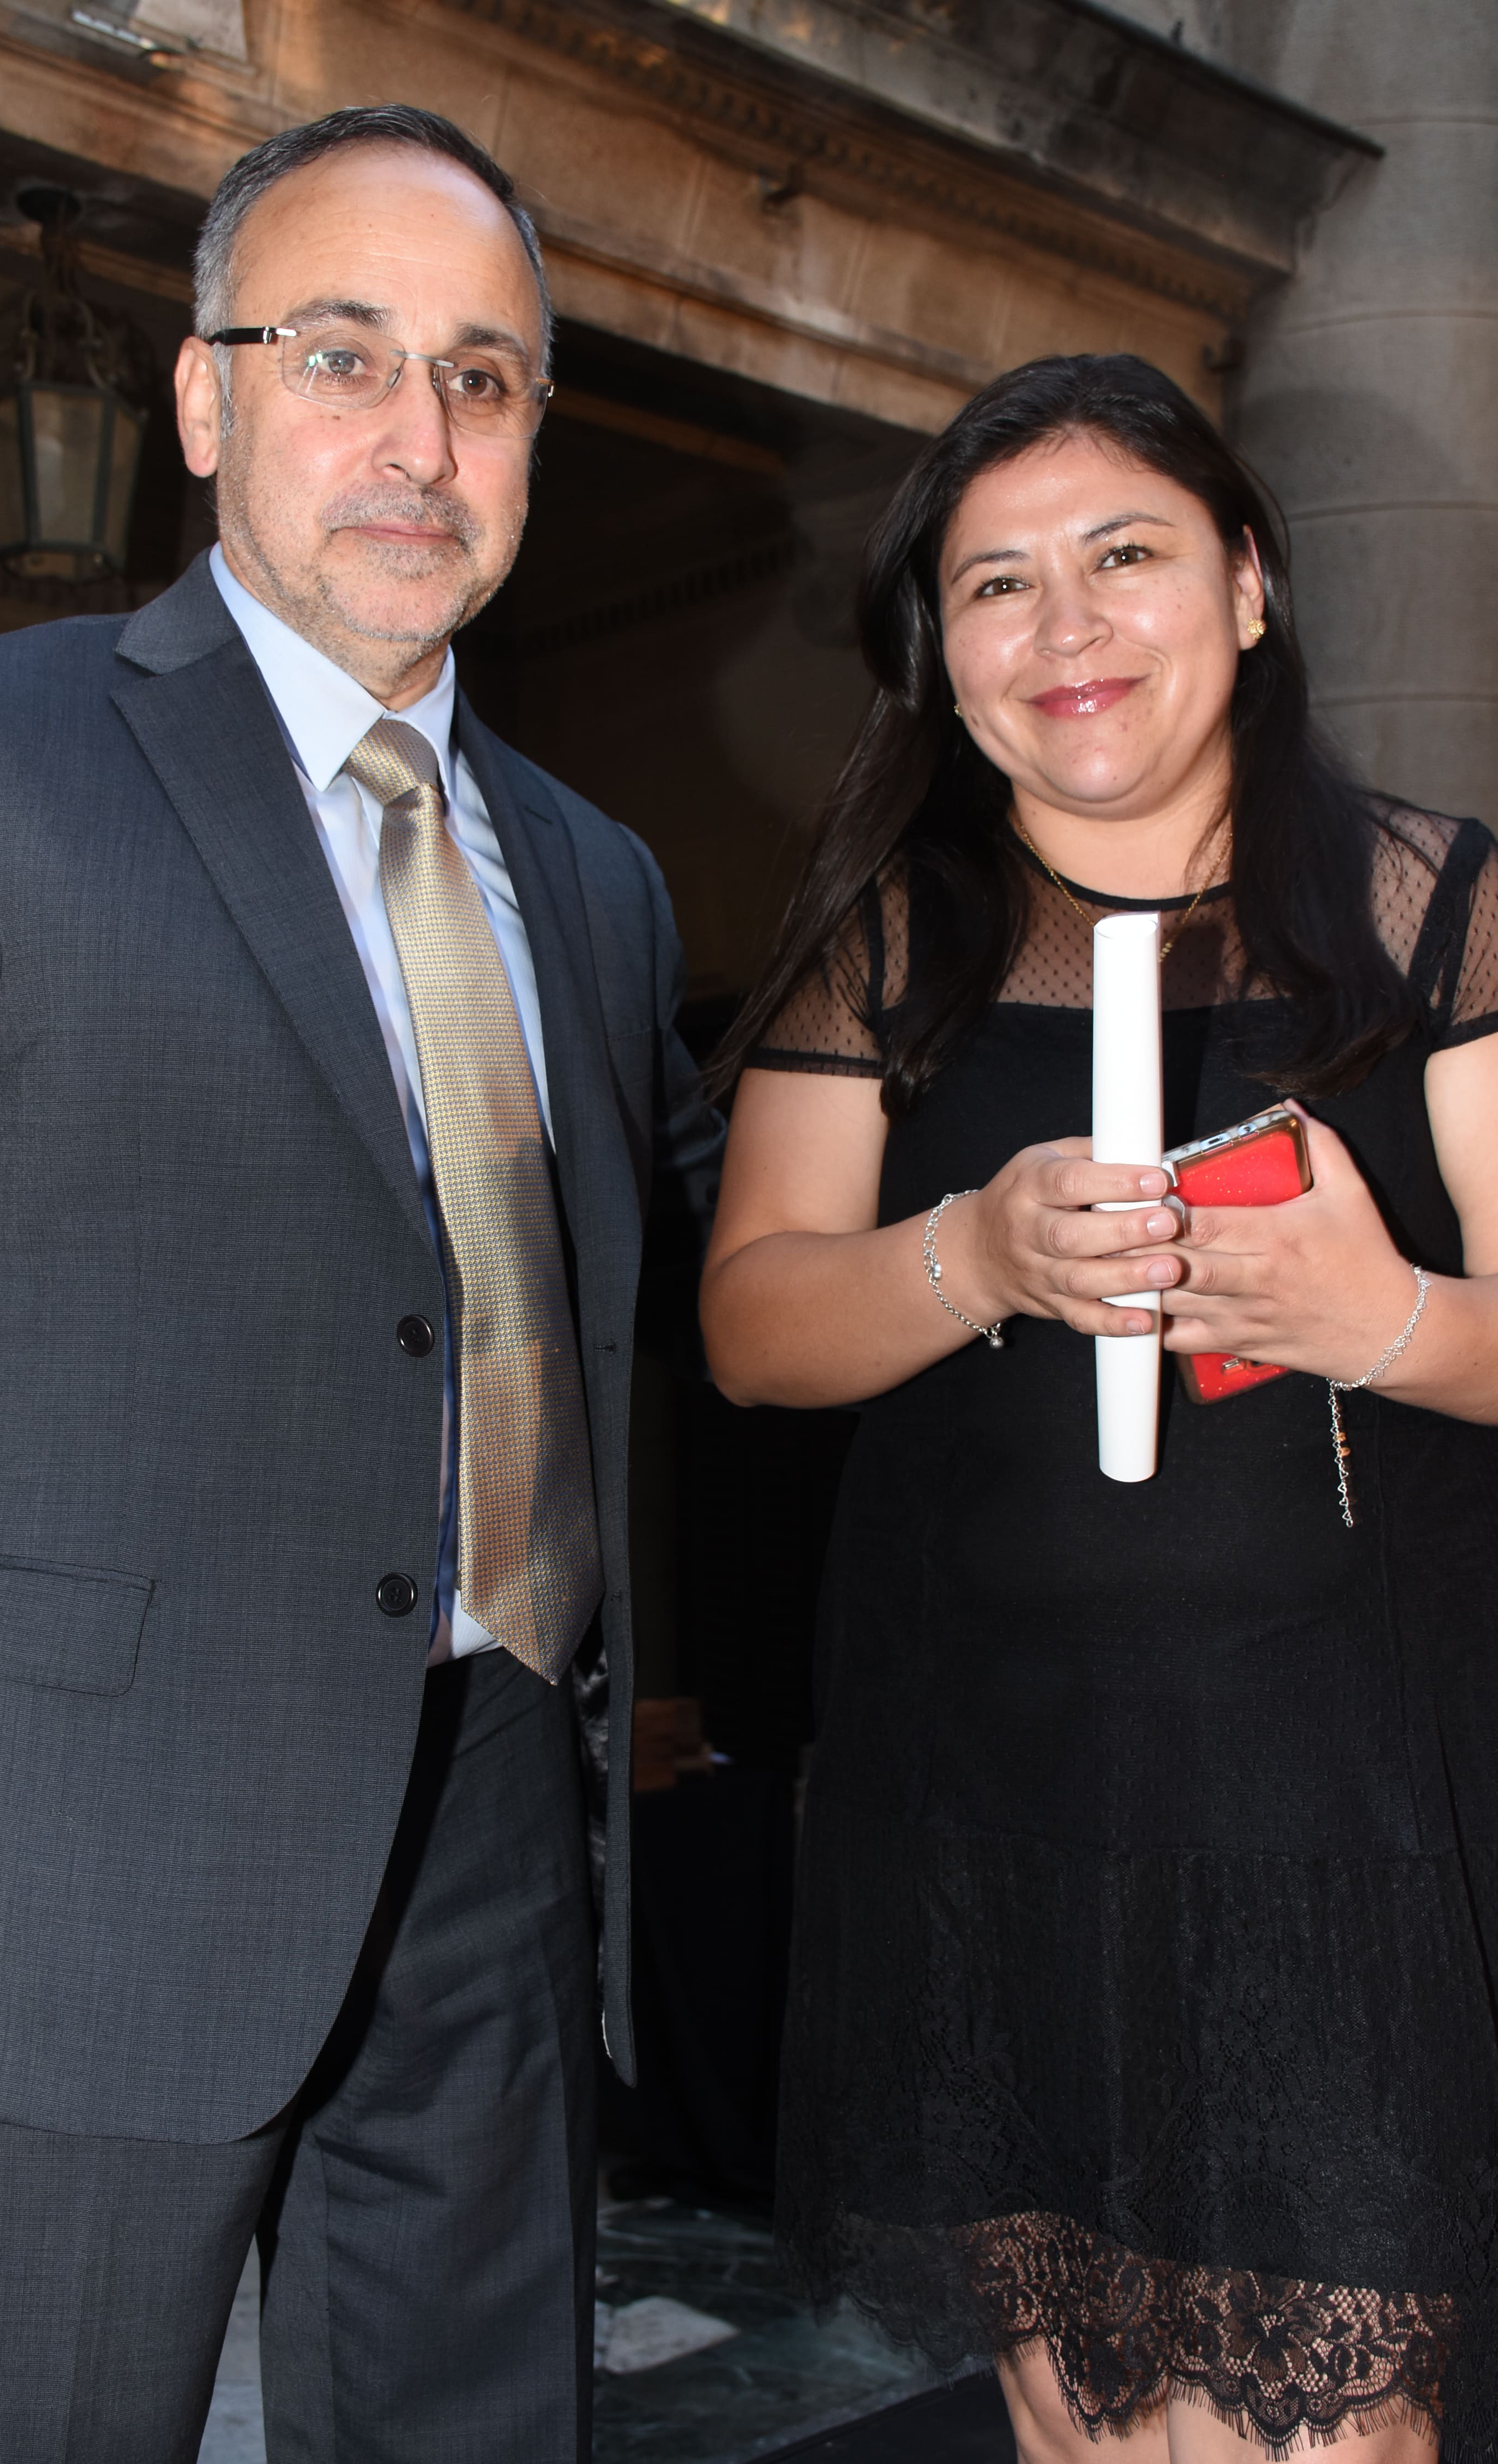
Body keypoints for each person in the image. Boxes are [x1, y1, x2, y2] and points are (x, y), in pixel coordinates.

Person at [0, 105, 721, 2464]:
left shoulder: (603, 879)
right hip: (54, 1890)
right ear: (205, 401)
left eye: (482, 377)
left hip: (494, 1857)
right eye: (343, 357)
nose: (420, 439)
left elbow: (692, 1277)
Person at [701, 354, 1498, 2464]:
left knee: (1331, 2441)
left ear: (1247, 581)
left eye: (1124, 554)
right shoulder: (895, 943)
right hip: (996, 1801)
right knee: (1088, 2434)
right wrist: (974, 1255)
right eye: (997, 583)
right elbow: (756, 1324)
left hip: (1344, 1819)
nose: (1065, 627)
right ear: (939, 651)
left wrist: (1381, 1315)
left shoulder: (1433, 912)